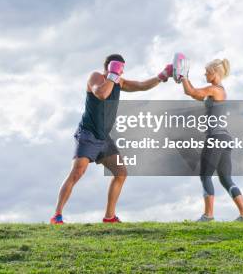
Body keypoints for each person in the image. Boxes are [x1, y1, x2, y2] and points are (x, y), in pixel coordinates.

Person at [50, 54, 173, 224]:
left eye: (122, 68)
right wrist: (111, 76)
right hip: (88, 134)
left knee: (121, 173)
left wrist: (162, 76)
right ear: (109, 67)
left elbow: (141, 86)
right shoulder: (96, 77)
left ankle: (109, 217)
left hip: (104, 138)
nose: (121, 72)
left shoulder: (119, 81)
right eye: (118, 68)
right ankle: (57, 215)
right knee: (77, 172)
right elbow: (101, 94)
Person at [176, 57, 243, 222]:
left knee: (205, 176)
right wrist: (184, 80)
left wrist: (184, 76)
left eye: (207, 71)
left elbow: (191, 91)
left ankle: (208, 215)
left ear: (215, 73)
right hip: (225, 138)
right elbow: (194, 94)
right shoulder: (218, 91)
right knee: (226, 179)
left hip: (215, 138)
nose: (205, 74)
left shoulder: (214, 89)